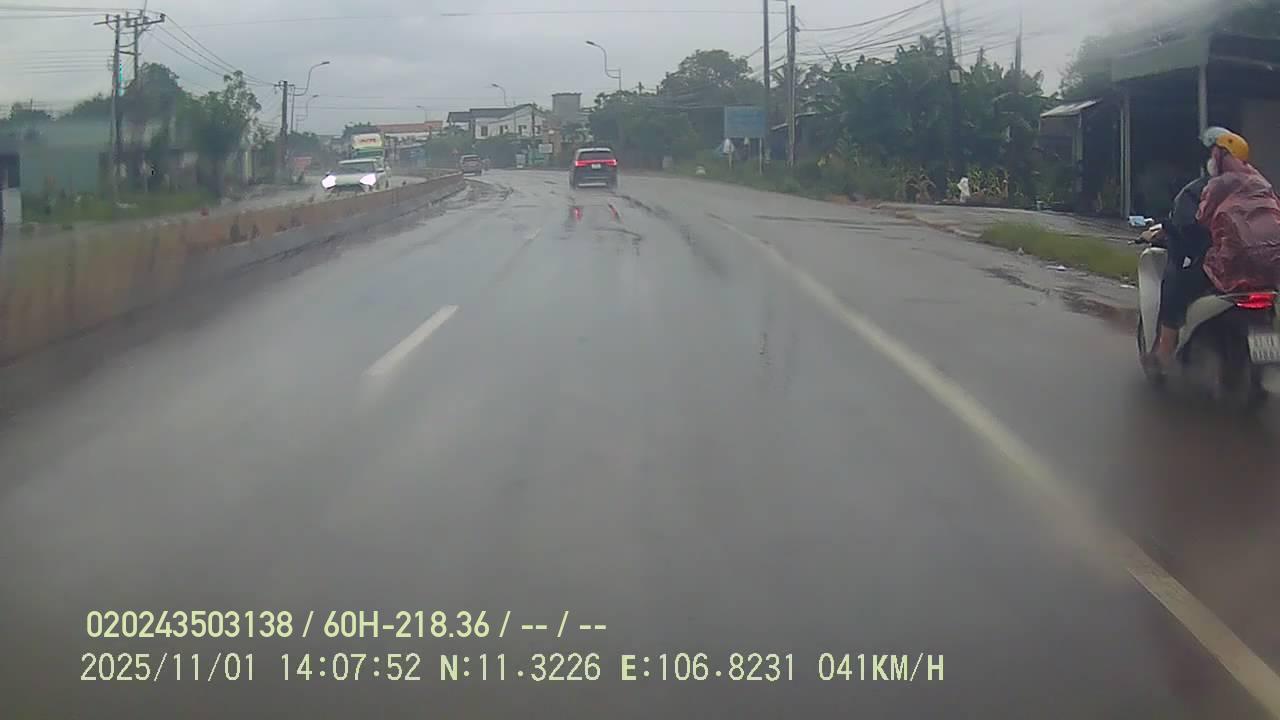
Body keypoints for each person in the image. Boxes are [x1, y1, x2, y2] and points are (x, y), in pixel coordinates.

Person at [1150, 127, 1280, 368]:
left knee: (1175, 282)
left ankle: (1165, 348)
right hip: (1267, 270)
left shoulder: (1212, 186)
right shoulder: (1262, 184)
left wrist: (1168, 228)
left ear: (1220, 157)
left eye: (1213, 154)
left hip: (1229, 268)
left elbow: (1195, 224)